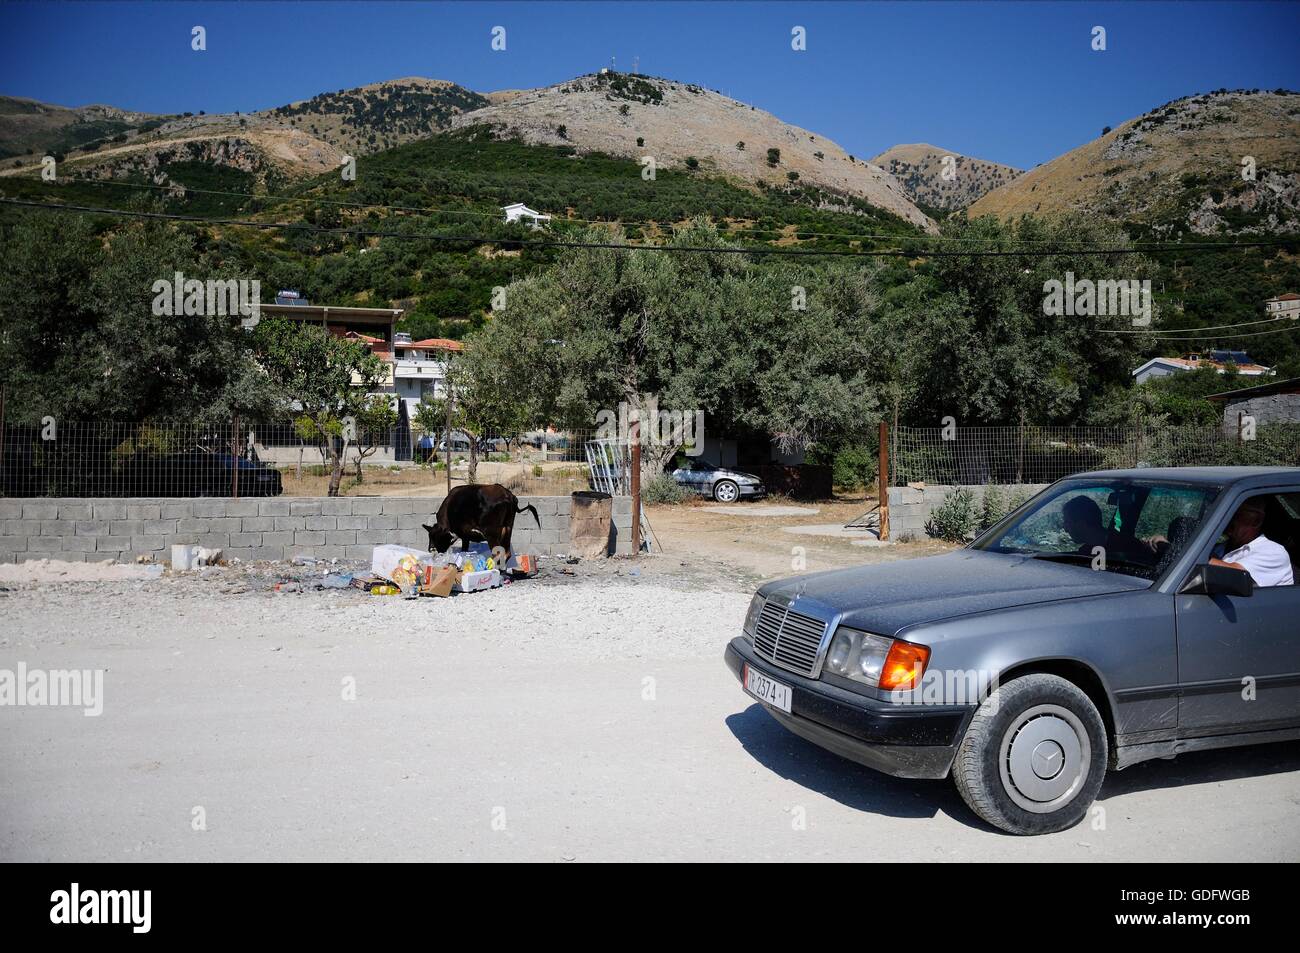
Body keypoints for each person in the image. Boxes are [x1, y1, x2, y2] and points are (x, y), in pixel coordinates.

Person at [1210, 498, 1293, 587]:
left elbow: (1235, 574)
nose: (1228, 519)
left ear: (1257, 521)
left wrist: (1196, 559)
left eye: (1236, 515)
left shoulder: (1274, 552)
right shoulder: (1219, 547)